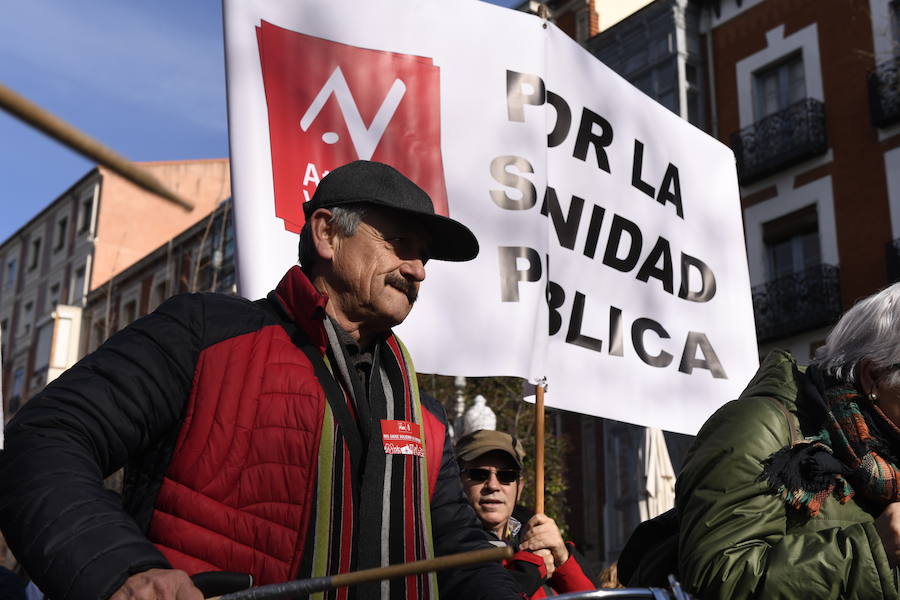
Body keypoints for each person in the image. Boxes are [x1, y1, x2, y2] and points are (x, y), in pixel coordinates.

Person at [0, 161, 522, 600]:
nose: (418, 271)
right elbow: (46, 440)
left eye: (424, 256)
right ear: (326, 234)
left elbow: (458, 556)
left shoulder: (425, 418)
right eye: (399, 244)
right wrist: (122, 571)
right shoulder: (204, 333)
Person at [621, 283, 900, 598]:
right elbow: (718, 579)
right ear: (872, 376)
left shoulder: (890, 457)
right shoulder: (760, 426)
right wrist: (872, 549)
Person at [454, 429, 595, 598]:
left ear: (519, 488)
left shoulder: (536, 536)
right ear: (457, 481)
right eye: (479, 474)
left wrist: (562, 559)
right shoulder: (447, 544)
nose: (493, 485)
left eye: (506, 476)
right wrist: (529, 570)